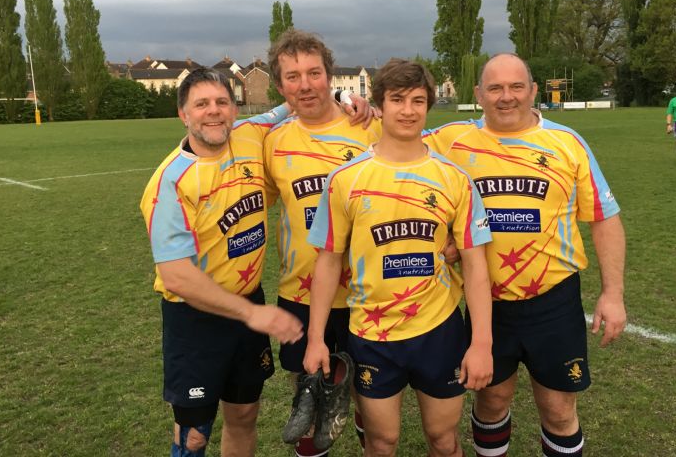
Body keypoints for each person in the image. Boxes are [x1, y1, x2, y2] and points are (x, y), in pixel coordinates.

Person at [140, 67, 371, 457]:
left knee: (245, 415)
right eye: (201, 104)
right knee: (193, 434)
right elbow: (176, 276)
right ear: (183, 114)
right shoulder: (171, 182)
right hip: (196, 319)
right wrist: (252, 315)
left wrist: (352, 102)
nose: (213, 112)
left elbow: (292, 102)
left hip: (248, 302)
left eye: (221, 102)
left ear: (234, 109)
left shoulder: (249, 134)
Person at [424, 53, 626, 457]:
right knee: (492, 401)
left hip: (553, 302)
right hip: (488, 305)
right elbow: (392, 136)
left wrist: (613, 293)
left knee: (558, 409)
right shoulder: (450, 140)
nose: (506, 97)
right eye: (495, 88)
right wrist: (355, 108)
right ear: (478, 94)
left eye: (516, 87)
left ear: (533, 91)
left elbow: (604, 219)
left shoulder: (567, 144)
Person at [304, 59, 494, 457]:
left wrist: (481, 343)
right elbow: (327, 261)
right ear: (380, 105)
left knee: (444, 440)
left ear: (428, 106)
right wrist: (316, 338)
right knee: (381, 441)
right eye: (397, 99)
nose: (408, 110)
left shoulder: (455, 179)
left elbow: (476, 264)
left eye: (418, 100)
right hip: (373, 335)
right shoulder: (346, 179)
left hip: (439, 330)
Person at [263, 29, 381, 455]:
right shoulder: (273, 143)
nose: (305, 84)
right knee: (307, 406)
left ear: (331, 76)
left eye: (314, 73)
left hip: (365, 294)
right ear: (280, 87)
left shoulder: (370, 130)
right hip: (301, 291)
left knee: (372, 405)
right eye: (292, 77)